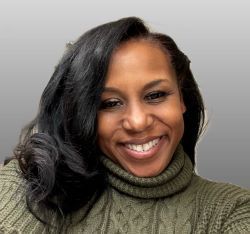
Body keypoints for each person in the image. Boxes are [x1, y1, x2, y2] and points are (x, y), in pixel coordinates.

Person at [0, 17, 249, 233]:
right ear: (84, 114)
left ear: (182, 98)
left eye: (155, 95)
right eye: (110, 103)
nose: (138, 122)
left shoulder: (231, 211)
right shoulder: (28, 187)